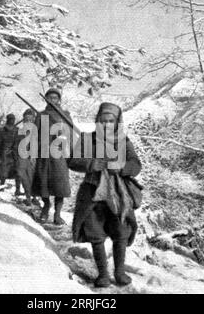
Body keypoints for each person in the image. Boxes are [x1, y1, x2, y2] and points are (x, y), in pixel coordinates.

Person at [68, 102, 142, 288]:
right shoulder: (87, 139)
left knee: (121, 232)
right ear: (98, 121)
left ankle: (119, 271)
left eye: (111, 120)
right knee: (95, 233)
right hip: (92, 193)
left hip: (118, 194)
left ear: (117, 122)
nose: (107, 124)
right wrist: (92, 164)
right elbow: (73, 161)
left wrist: (123, 167)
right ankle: (102, 274)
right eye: (103, 120)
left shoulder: (124, 141)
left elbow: (136, 165)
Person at [32, 87, 73, 225]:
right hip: (44, 154)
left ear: (59, 100)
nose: (52, 100)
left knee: (60, 184)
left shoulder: (65, 115)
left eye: (55, 98)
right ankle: (45, 207)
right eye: (50, 98)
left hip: (60, 154)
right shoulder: (41, 115)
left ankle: (58, 214)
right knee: (43, 183)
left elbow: (70, 133)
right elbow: (34, 134)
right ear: (46, 99)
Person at [0, 113, 22, 195]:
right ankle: (1, 188)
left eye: (13, 119)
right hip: (5, 154)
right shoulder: (1, 131)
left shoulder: (17, 130)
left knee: (18, 172)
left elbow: (20, 142)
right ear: (7, 119)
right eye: (10, 119)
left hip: (15, 153)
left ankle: (18, 190)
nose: (12, 121)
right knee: (4, 172)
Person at [16, 108, 39, 206]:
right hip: (21, 156)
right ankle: (28, 196)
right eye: (26, 119)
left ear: (33, 120)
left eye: (30, 119)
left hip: (33, 157)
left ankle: (33, 197)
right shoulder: (20, 131)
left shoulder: (37, 131)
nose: (28, 121)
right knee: (22, 175)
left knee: (31, 177)